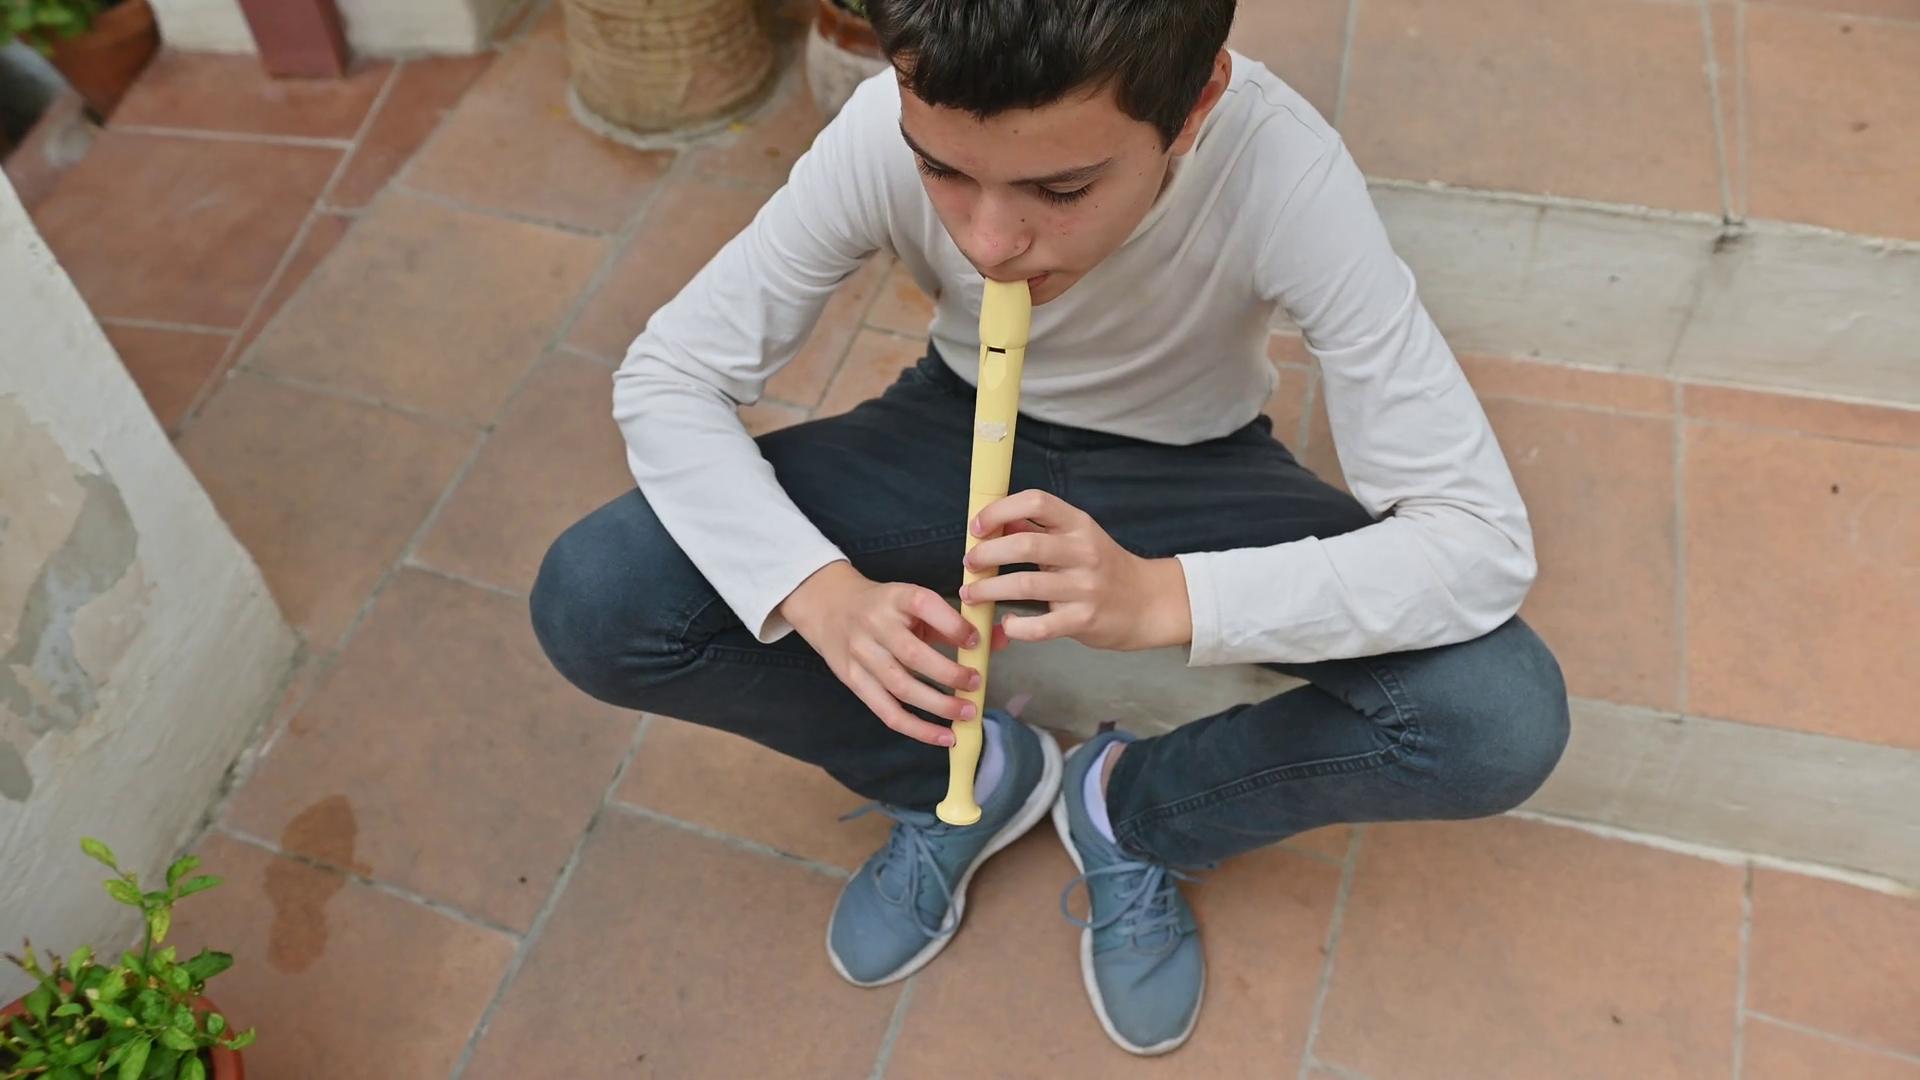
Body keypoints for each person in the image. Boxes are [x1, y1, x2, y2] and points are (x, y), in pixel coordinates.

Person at [529, 0, 1570, 1056]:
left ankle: (1134, 810)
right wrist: (816, 591)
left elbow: (1476, 539)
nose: (989, 243)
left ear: (1195, 103)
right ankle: (963, 780)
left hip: (1191, 459)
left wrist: (1167, 598)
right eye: (942, 171)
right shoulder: (886, 124)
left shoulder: (1283, 165)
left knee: (1496, 719)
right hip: (950, 426)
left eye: (1062, 190)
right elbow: (671, 375)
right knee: (599, 598)